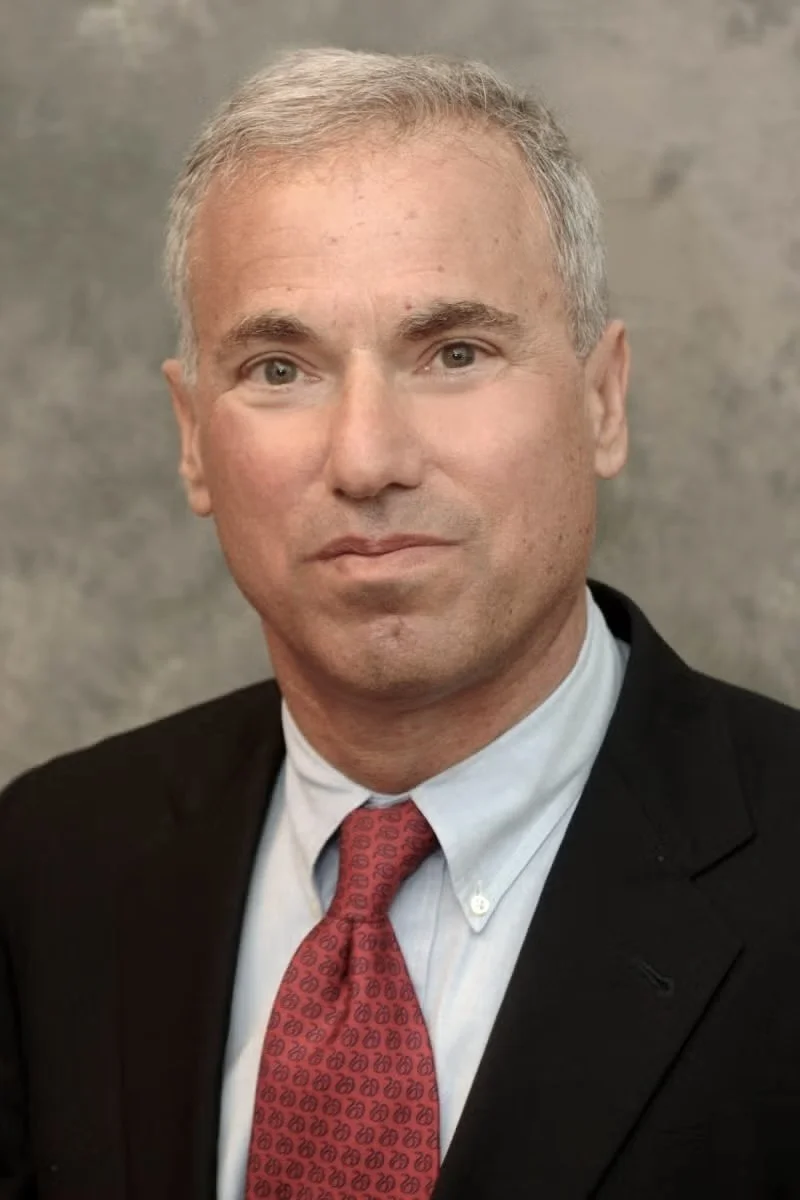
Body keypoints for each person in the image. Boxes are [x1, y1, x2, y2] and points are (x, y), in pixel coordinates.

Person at [1, 45, 799, 1200]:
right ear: (191, 438)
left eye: (455, 353)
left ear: (600, 400)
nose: (366, 459)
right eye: (280, 368)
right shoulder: (48, 865)